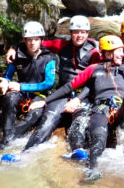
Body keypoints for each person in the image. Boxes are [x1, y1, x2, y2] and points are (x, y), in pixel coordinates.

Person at [29, 35, 124, 180]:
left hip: (121, 111)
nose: (122, 54)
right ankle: (92, 168)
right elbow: (70, 86)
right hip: (101, 108)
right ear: (107, 53)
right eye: (118, 51)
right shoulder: (93, 69)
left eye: (121, 51)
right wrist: (45, 101)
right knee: (99, 138)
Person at [6, 15, 101, 152]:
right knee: (48, 119)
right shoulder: (61, 45)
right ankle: (25, 151)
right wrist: (13, 47)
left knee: (79, 123)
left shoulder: (94, 52)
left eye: (83, 32)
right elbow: (35, 42)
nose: (79, 35)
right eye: (75, 32)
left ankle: (78, 152)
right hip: (62, 92)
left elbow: (93, 81)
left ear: (87, 33)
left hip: (83, 94)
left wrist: (77, 100)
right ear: (70, 33)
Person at [0, 21, 56, 155]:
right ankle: (7, 136)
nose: (32, 43)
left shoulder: (49, 58)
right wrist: (5, 82)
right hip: (22, 93)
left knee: (35, 113)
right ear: (24, 40)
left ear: (41, 40)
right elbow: (8, 75)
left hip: (40, 94)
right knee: (10, 98)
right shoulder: (17, 55)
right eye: (29, 40)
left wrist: (21, 86)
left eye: (36, 40)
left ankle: (5, 142)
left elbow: (48, 83)